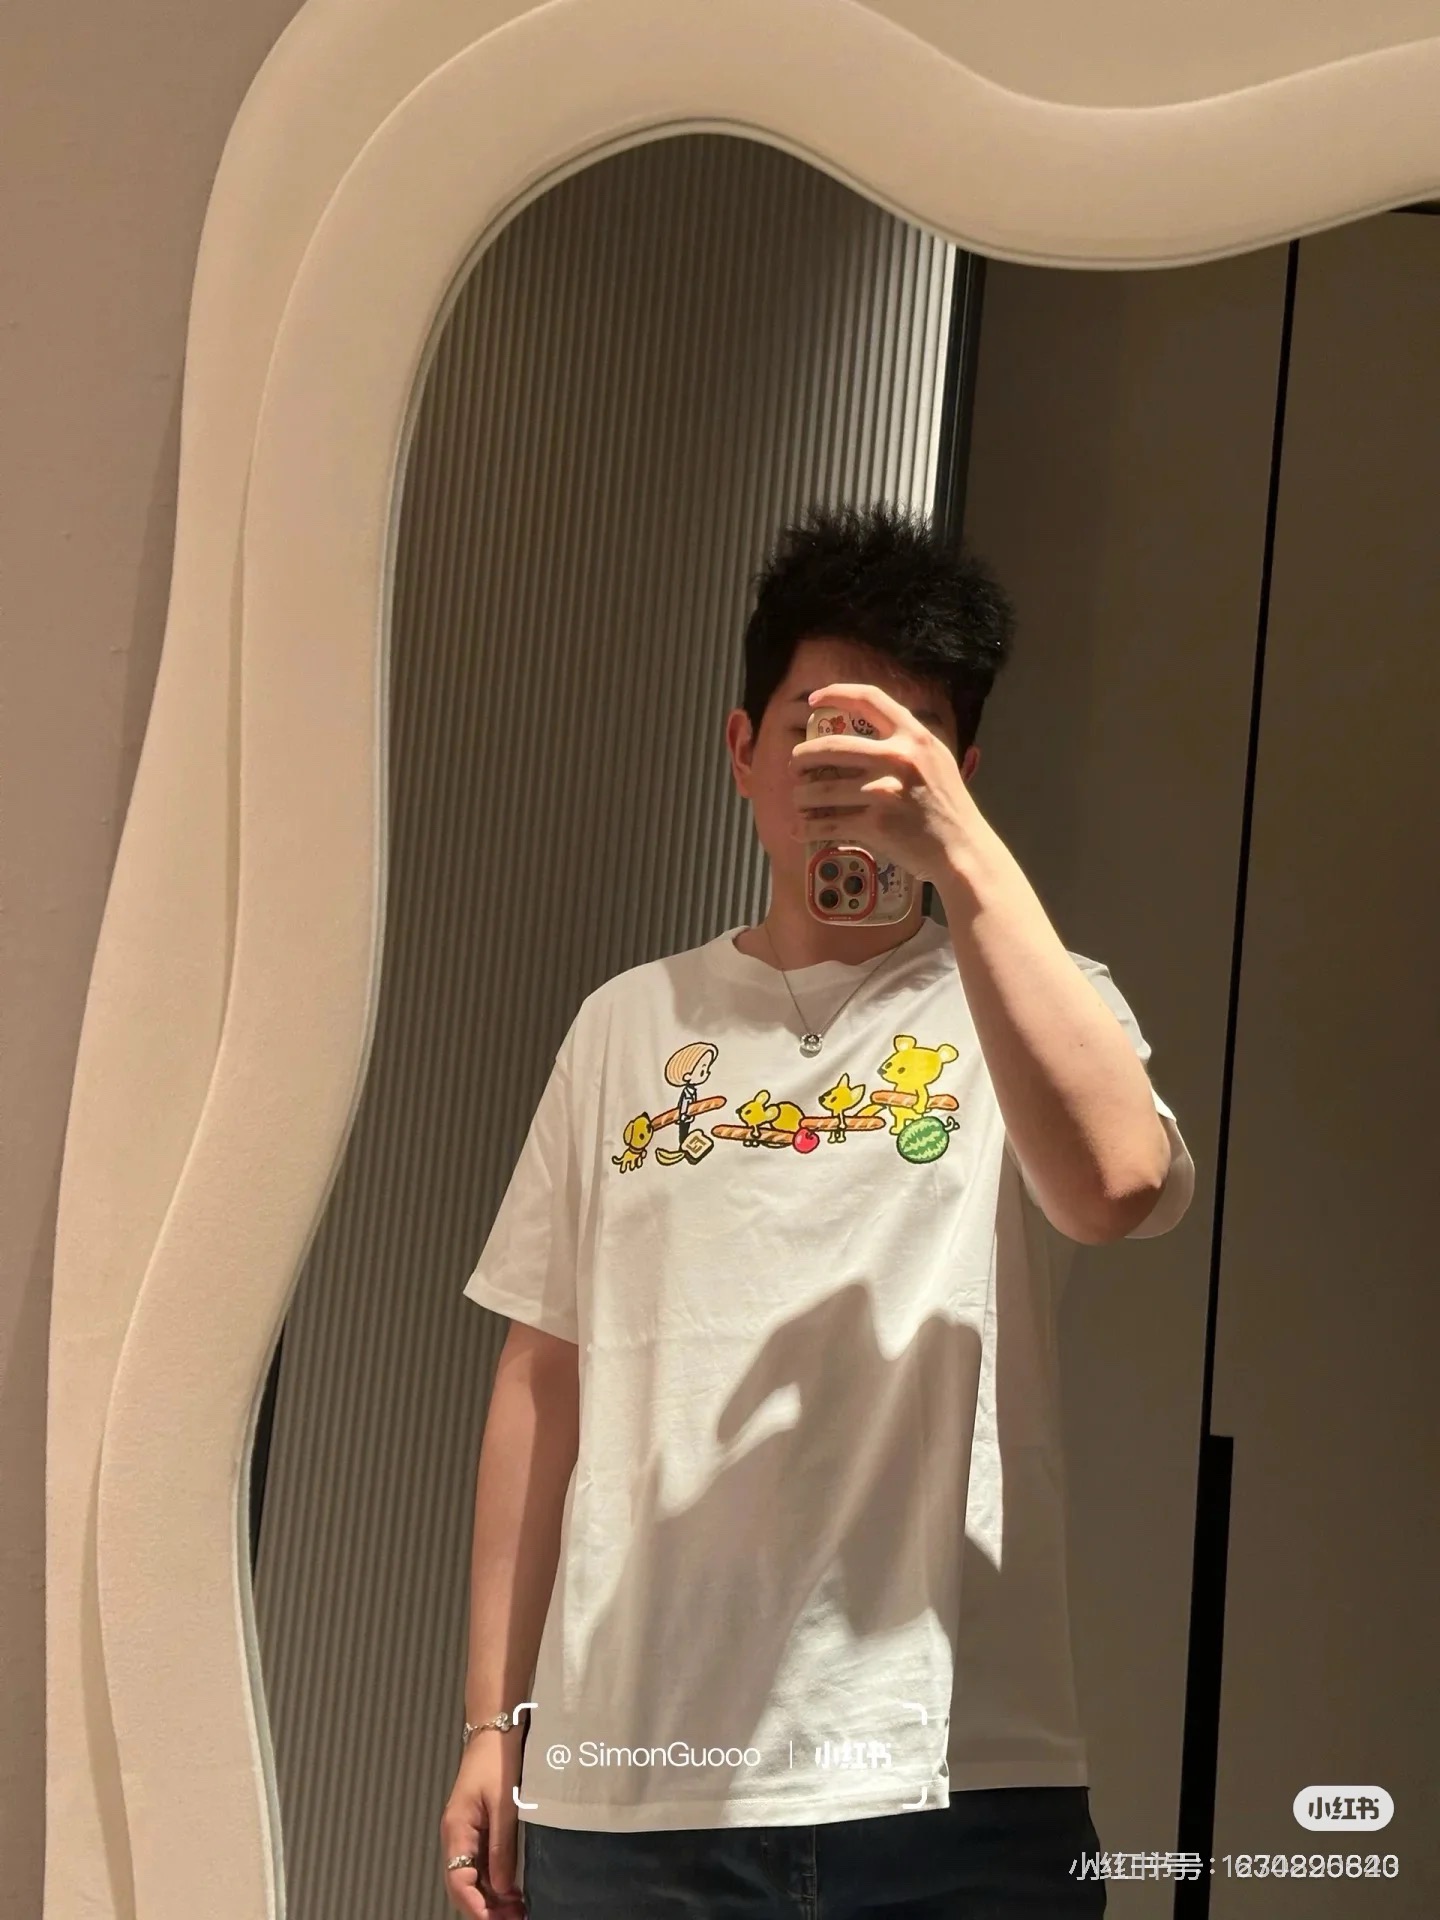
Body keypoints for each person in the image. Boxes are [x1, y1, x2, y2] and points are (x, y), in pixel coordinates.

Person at [440, 501, 1196, 1918]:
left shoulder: (1034, 1002)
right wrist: (495, 1719)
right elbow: (545, 1374)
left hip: (949, 1777)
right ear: (742, 751)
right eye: (816, 731)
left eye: (902, 739)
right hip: (629, 1787)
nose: (850, 775)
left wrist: (959, 852)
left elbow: (1118, 1186)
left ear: (961, 772)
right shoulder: (627, 1025)